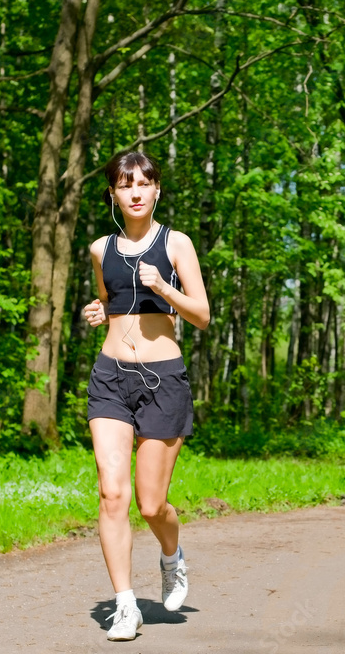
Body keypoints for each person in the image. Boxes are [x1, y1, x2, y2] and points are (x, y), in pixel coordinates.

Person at [83, 150, 210, 641]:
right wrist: (97, 312)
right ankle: (125, 605)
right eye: (123, 184)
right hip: (111, 377)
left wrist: (166, 288)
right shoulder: (100, 249)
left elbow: (200, 314)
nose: (134, 192)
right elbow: (111, 303)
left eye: (144, 183)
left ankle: (172, 558)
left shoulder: (176, 243)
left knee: (152, 505)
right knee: (113, 493)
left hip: (164, 381)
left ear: (157, 190)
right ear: (113, 194)